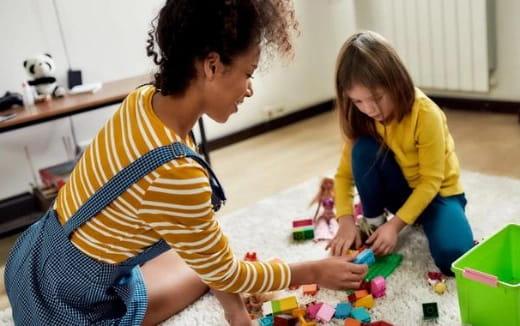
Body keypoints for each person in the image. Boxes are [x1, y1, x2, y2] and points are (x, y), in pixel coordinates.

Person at [4, 1, 368, 325]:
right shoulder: (177, 173)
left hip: (32, 262)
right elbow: (228, 274)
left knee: (202, 255)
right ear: (211, 65)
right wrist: (314, 270)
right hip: (67, 310)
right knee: (208, 269)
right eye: (248, 73)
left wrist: (235, 311)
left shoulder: (144, 101)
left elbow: (204, 245)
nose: (249, 89)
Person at [326, 31, 474, 276]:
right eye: (359, 102)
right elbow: (343, 177)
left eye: (376, 98)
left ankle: (418, 223)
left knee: (453, 259)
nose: (370, 109)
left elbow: (430, 181)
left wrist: (396, 226)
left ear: (396, 82)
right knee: (363, 149)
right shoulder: (363, 119)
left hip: (439, 194)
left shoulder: (425, 113)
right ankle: (373, 222)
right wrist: (345, 221)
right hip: (400, 191)